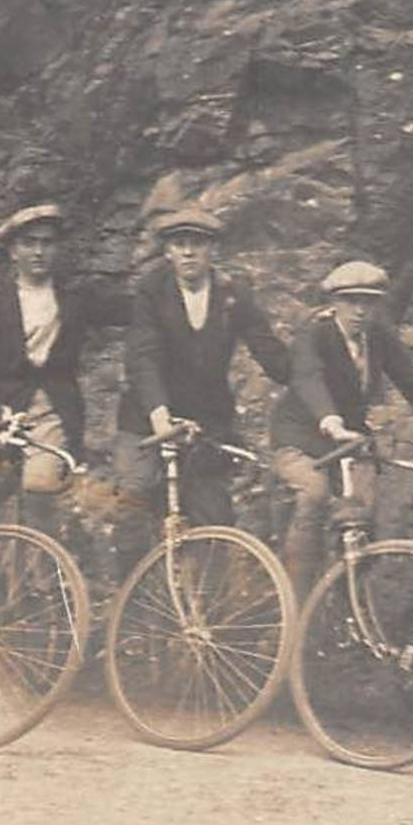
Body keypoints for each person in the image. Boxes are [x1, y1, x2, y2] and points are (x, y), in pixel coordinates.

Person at [269, 259, 413, 598]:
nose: (360, 310)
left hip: (349, 442)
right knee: (313, 494)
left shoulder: (377, 337)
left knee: (363, 519)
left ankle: (349, 609)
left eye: (369, 301)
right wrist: (330, 421)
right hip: (301, 438)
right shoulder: (315, 334)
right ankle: (295, 603)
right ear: (333, 302)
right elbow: (308, 376)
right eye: (351, 301)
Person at [110, 207, 291, 569]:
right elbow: (142, 357)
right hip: (147, 416)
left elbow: (267, 348)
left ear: (213, 251)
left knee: (216, 518)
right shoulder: (152, 289)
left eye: (198, 244)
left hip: (205, 419)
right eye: (180, 244)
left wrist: (302, 373)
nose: (189, 252)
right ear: (168, 252)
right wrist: (160, 417)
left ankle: (209, 616)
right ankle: (130, 608)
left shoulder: (232, 293)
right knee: (134, 499)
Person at [0, 202, 130, 533]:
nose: (39, 251)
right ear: (12, 251)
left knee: (41, 488)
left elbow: (132, 310)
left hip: (50, 412)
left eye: (47, 243)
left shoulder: (75, 300)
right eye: (29, 243)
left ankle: (43, 582)